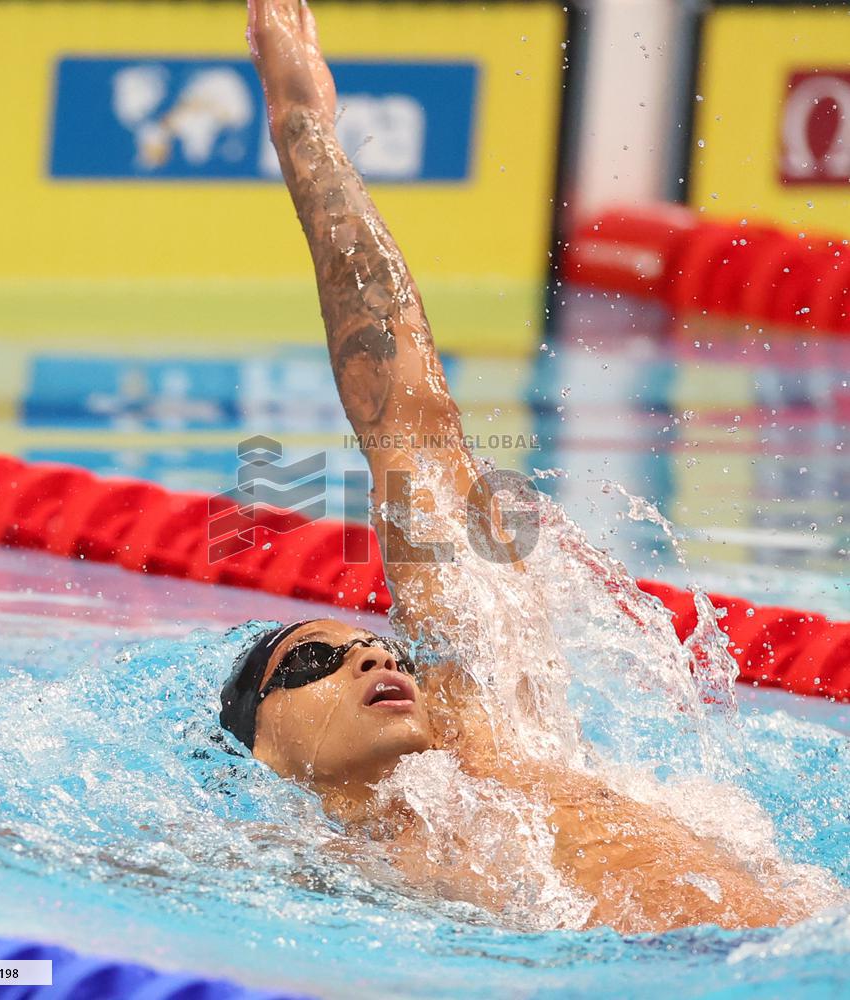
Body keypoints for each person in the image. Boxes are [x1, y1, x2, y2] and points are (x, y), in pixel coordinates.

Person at [220, 0, 801, 933]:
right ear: (266, 749)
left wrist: (306, 131)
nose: (372, 650)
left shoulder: (499, 735)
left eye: (380, 647)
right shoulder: (296, 868)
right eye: (317, 662)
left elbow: (411, 426)